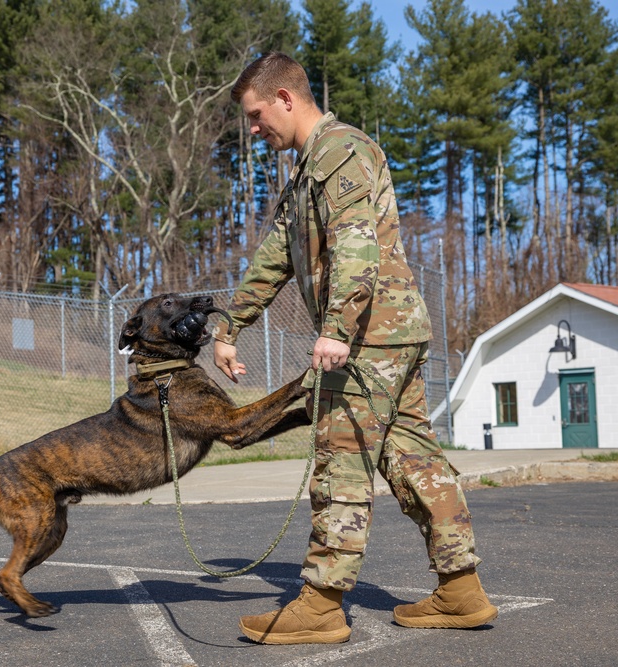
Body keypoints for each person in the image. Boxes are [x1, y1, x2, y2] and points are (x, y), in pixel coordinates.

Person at [213, 52, 498, 645]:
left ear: (287, 99)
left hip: (370, 338)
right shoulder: (307, 169)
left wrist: (337, 330)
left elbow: (354, 247)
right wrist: (229, 326)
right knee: (413, 460)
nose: (255, 129)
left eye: (258, 115)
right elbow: (274, 259)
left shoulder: (341, 149)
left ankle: (320, 605)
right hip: (393, 336)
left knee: (340, 457)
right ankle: (462, 590)